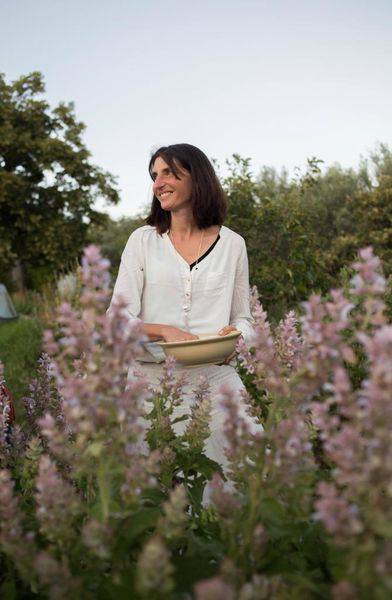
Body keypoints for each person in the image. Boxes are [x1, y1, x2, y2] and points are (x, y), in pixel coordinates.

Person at [108, 143, 261, 501]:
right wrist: (163, 330)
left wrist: (237, 336)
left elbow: (244, 318)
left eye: (168, 172)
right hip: (151, 384)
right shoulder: (142, 241)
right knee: (154, 495)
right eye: (154, 175)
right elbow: (116, 320)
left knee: (249, 471)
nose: (158, 182)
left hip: (215, 378)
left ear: (198, 177)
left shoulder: (233, 245)